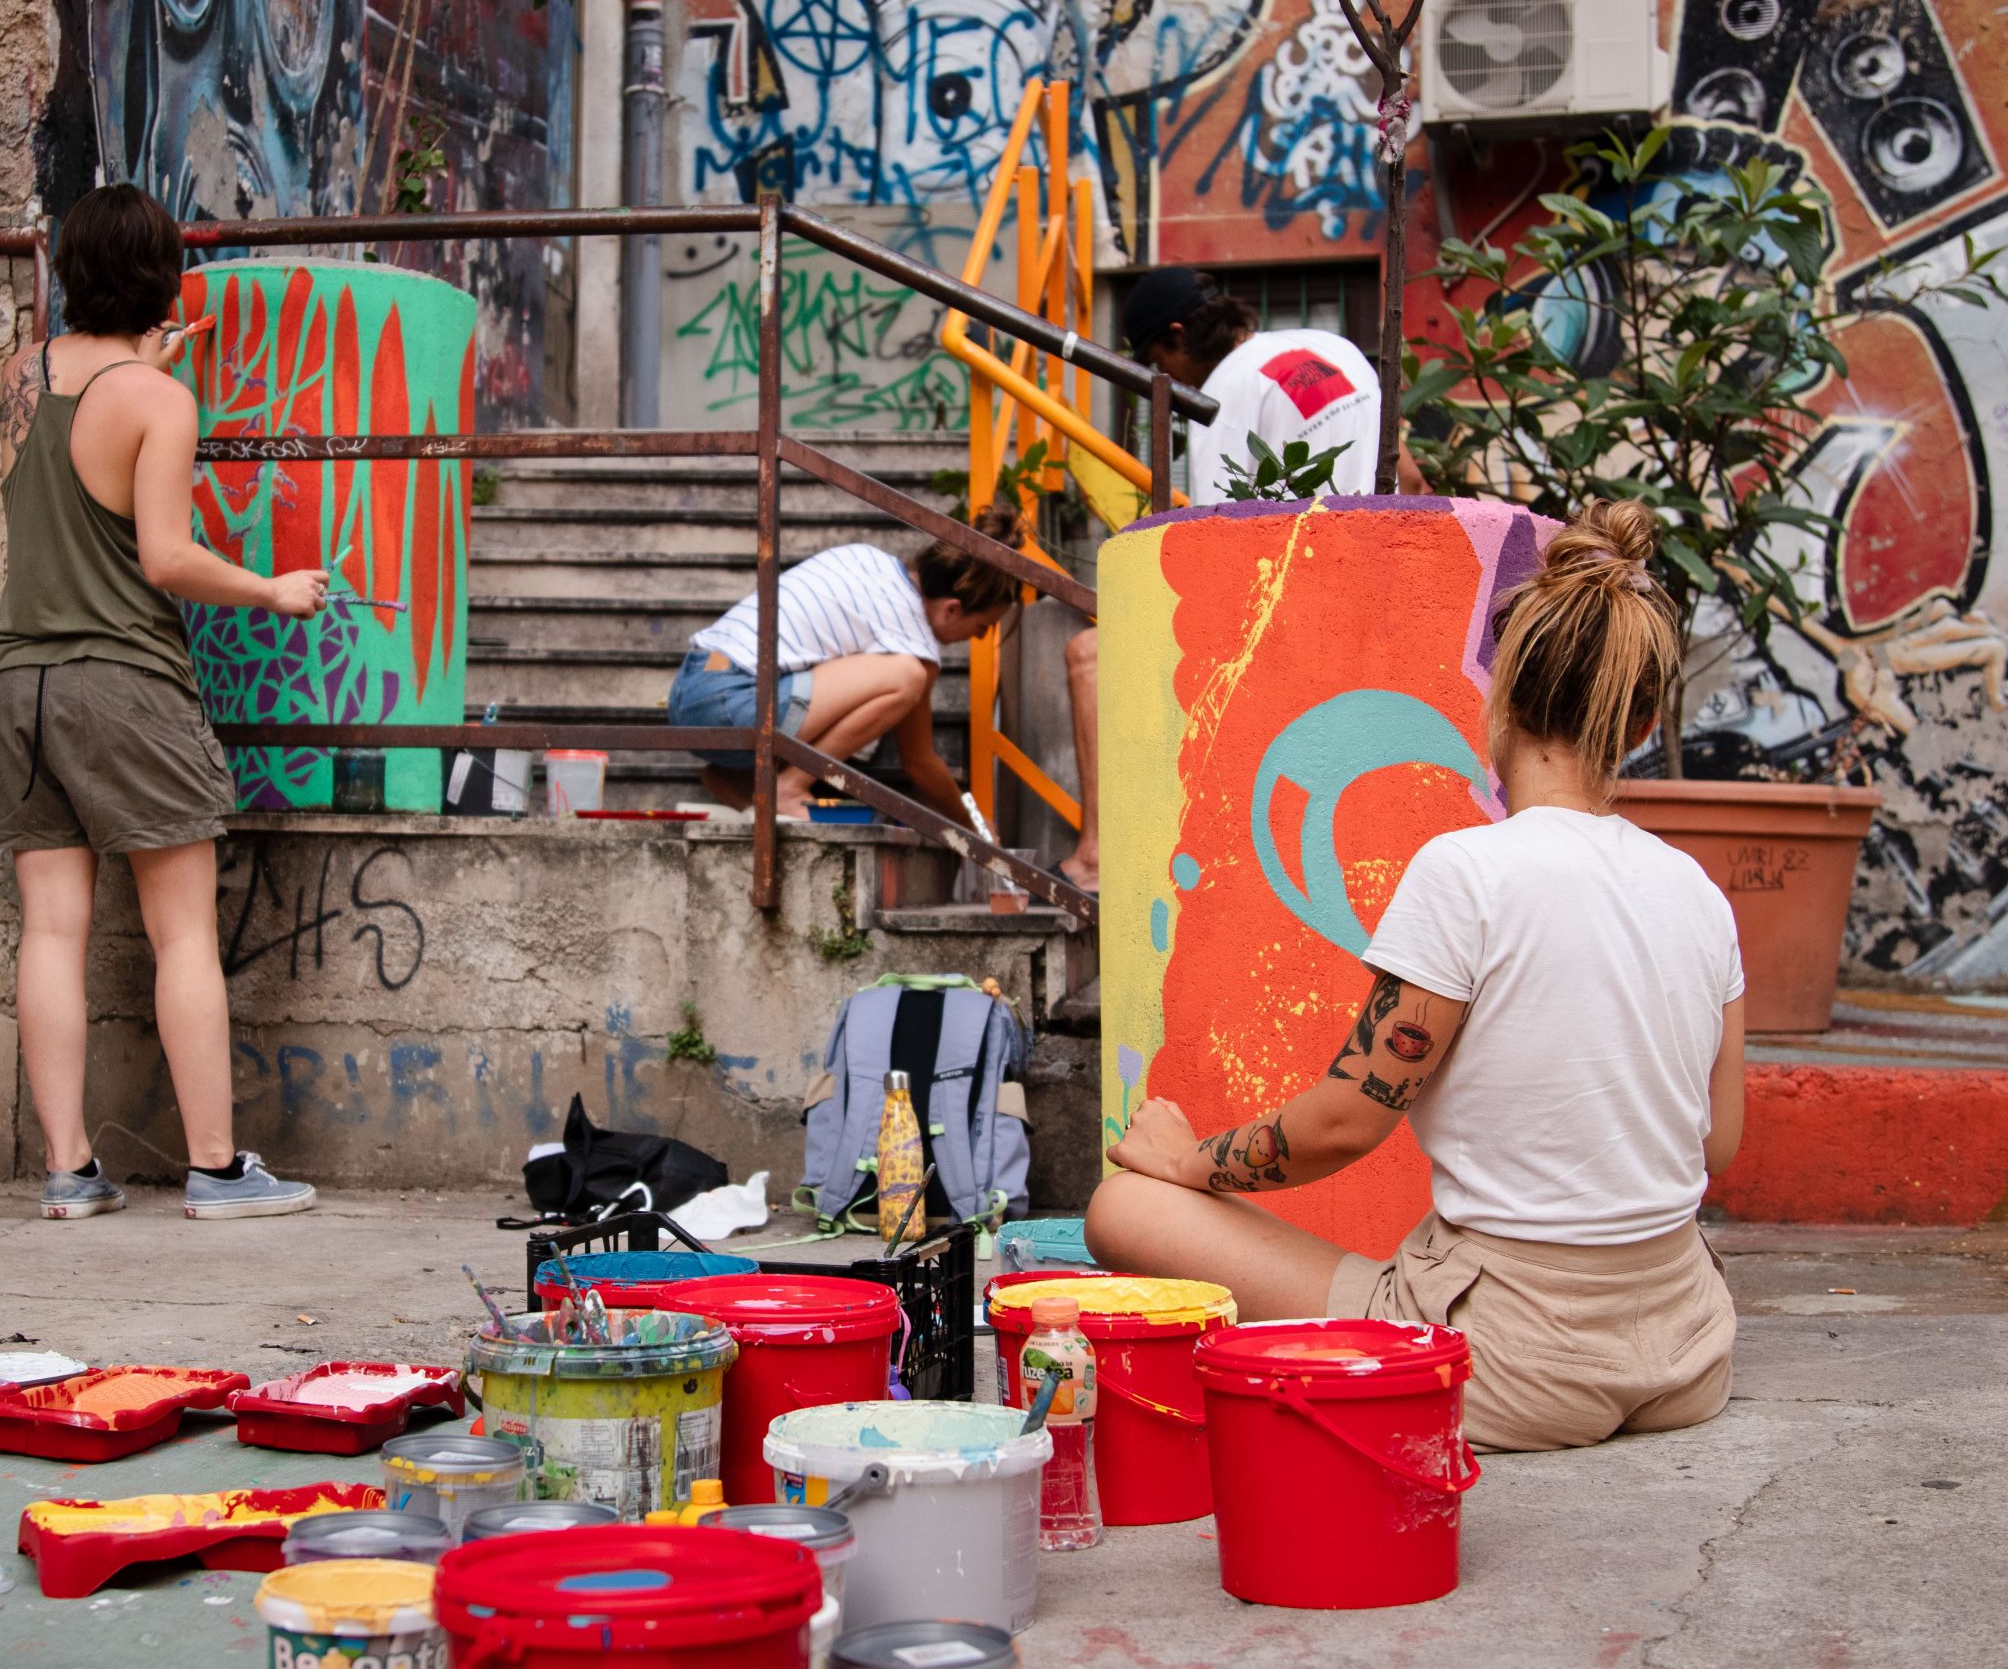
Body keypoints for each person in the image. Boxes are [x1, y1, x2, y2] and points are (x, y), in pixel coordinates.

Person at [1083, 501, 1744, 1452]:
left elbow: (1349, 1119)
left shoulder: (1466, 871)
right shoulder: (1699, 894)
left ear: (1499, 691)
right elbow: (1718, 1140)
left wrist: (1190, 1162)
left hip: (1507, 1364)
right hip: (1686, 1352)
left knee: (1126, 1206)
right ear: (1640, 722)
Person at [0, 183, 328, 1222]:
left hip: (18, 684)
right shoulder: (159, 402)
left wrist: (143, 376)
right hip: (121, 681)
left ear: (72, 273)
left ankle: (67, 1170)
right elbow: (166, 558)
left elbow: (64, 464)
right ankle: (216, 1169)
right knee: (181, 933)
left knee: (51, 929)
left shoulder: (18, 376)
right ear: (163, 278)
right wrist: (273, 588)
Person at [1059, 269, 1382, 891]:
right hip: (1355, 586)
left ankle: (1100, 856)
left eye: (1160, 363)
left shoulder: (1228, 393)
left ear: (1178, 336)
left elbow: (1218, 541)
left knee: (1089, 656)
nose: (1170, 384)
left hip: (1283, 610)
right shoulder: (1339, 351)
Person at [668, 514, 1021, 820]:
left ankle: (738, 779)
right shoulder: (914, 641)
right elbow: (920, 762)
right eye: (983, 626)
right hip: (731, 702)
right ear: (952, 609)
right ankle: (789, 788)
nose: (978, 638)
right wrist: (975, 826)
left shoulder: (866, 559)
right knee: (905, 678)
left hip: (693, 686)